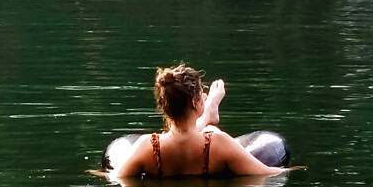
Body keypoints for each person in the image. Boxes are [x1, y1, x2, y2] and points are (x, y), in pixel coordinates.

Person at [113, 64, 287, 178]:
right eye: (201, 96)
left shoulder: (148, 147)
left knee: (206, 131)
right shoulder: (219, 143)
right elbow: (266, 173)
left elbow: (116, 177)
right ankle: (207, 116)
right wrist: (296, 170)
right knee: (212, 131)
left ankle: (206, 117)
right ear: (196, 102)